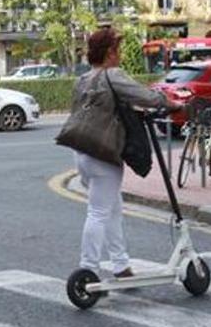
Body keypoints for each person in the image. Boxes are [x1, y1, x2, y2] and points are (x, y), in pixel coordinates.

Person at [72, 28, 182, 278]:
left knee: (112, 207)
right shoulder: (112, 75)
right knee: (99, 212)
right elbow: (145, 96)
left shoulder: (83, 79)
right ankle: (88, 269)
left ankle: (120, 265)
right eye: (118, 50)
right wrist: (172, 104)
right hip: (104, 154)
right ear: (110, 52)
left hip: (82, 153)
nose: (120, 55)